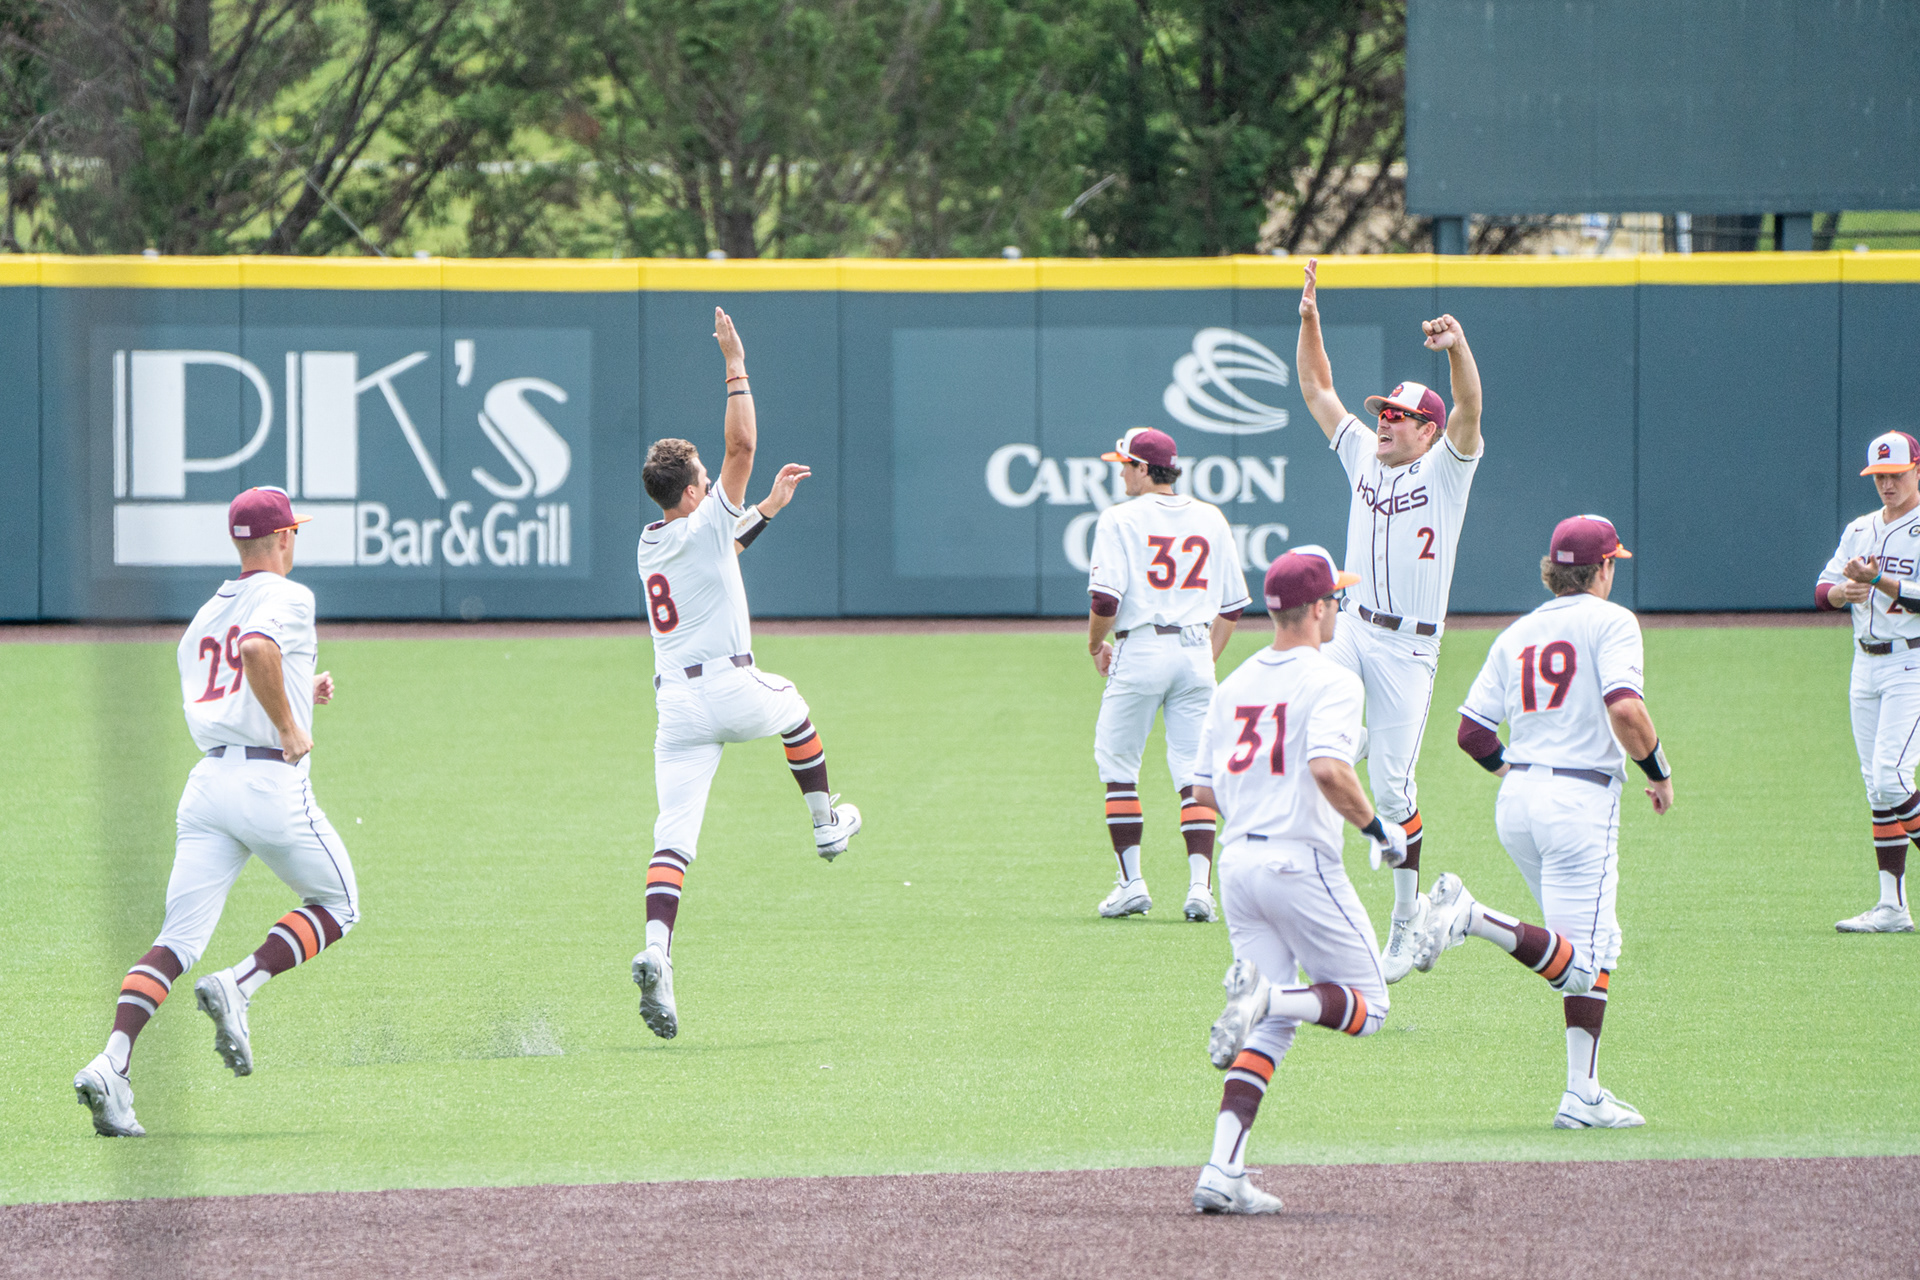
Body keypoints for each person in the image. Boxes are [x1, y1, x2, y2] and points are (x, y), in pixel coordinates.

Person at [73, 486, 359, 1137]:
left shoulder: (204, 614)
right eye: (295, 533)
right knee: (340, 904)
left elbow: (233, 674)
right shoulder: (288, 595)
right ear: (283, 538)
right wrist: (290, 722)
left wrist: (298, 688)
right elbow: (258, 653)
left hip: (207, 788)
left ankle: (111, 1064)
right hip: (268, 784)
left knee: (175, 941)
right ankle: (242, 983)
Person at [633, 306, 859, 1041]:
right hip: (729, 686)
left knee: (674, 838)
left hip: (677, 707)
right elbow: (743, 441)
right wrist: (735, 362)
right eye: (703, 476)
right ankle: (827, 827)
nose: (710, 477)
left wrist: (765, 510)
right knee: (795, 707)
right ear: (695, 491)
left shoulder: (652, 540)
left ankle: (656, 952)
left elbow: (717, 552)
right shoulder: (703, 519)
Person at [1421, 514, 1671, 1129]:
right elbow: (1626, 708)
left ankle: (1581, 1094)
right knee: (1582, 962)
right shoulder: (1612, 620)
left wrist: (1515, 774)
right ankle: (1470, 918)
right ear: (1604, 568)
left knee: (1595, 945)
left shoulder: (1517, 632)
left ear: (1553, 571)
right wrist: (1658, 772)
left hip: (1521, 801)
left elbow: (1471, 733)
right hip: (1578, 806)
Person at [1189, 547, 1409, 1213]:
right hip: (1298, 862)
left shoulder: (1234, 684)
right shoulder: (1332, 680)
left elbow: (1202, 789)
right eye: (1335, 598)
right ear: (1316, 609)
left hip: (1238, 865)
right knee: (1369, 1008)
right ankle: (1270, 997)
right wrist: (1379, 831)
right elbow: (1329, 771)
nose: (1339, 606)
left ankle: (1222, 1171)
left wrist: (1257, 809)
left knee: (1268, 1030)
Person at [1294, 257, 1485, 982]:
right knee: (1312, 725)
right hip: (1353, 630)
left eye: (1398, 416)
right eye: (1382, 413)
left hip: (1410, 649)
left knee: (1396, 790)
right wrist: (1310, 321)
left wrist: (1458, 349)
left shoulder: (1448, 469)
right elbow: (1317, 387)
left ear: (1427, 431)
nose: (1382, 421)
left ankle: (1408, 923)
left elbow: (1468, 409)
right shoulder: (1363, 459)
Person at [1085, 427, 1252, 923]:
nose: (1120, 473)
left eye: (1124, 464)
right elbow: (1234, 607)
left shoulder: (1119, 519)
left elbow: (1104, 600)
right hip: (1196, 648)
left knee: (1118, 765)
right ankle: (1200, 888)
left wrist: (1095, 643)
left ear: (1142, 468)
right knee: (1194, 771)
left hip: (1140, 648)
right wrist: (1206, 659)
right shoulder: (1211, 516)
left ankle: (1131, 881)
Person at [1816, 429, 1920, 933]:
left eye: (1896, 475)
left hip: (1912, 663)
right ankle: (1892, 908)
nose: (1887, 484)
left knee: (1891, 777)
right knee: (1876, 790)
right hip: (1866, 664)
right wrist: (1843, 592)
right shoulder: (1859, 529)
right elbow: (1822, 588)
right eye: (1879, 476)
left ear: (1916, 471)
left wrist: (1876, 580)